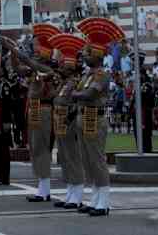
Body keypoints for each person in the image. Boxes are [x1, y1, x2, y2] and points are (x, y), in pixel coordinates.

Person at [9, 44, 56, 202]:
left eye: (38, 53)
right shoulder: (35, 71)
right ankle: (43, 188)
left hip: (43, 109)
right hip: (34, 109)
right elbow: (18, 69)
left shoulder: (49, 71)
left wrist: (13, 48)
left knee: (41, 148)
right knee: (35, 148)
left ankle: (44, 190)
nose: (35, 55)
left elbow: (29, 62)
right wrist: (12, 54)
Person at [73, 44, 112, 216]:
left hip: (95, 117)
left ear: (97, 56)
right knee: (87, 161)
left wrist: (75, 95)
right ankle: (94, 200)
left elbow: (88, 94)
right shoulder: (87, 75)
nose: (84, 55)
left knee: (97, 159)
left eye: (88, 53)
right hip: (84, 116)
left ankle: (103, 203)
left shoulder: (101, 75)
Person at [54, 61, 85, 209]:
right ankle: (70, 193)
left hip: (69, 122)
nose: (61, 70)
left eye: (65, 68)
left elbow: (79, 103)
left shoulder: (75, 83)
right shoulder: (63, 84)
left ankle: (77, 196)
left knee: (73, 158)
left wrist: (70, 117)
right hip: (60, 121)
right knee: (65, 159)